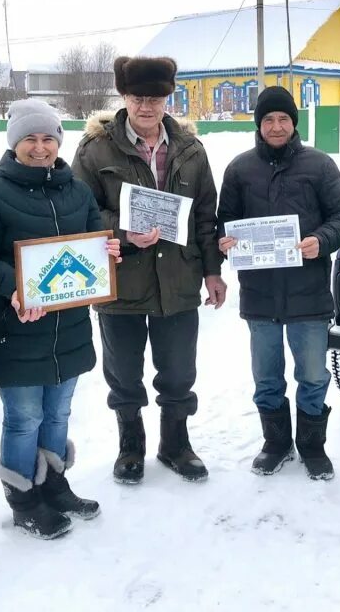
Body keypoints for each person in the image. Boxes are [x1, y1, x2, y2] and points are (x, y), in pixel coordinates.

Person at [0, 99, 121, 538]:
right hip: (18, 328)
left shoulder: (77, 190)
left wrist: (107, 252)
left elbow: (94, 241)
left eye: (48, 137)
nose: (40, 147)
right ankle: (23, 498)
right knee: (24, 418)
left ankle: (53, 485)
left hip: (67, 327)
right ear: (14, 143)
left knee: (58, 414)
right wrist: (16, 287)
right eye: (29, 138)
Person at [72, 56, 226, 484]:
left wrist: (212, 271)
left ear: (166, 99)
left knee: (179, 370)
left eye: (155, 98)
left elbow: (205, 217)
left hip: (178, 279)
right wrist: (122, 232)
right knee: (123, 371)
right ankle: (130, 447)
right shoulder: (95, 149)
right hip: (121, 280)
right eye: (138, 97)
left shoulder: (191, 150)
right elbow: (78, 214)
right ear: (124, 97)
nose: (146, 106)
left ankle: (175, 444)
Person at [217, 87, 340, 479]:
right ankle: (276, 443)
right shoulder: (240, 169)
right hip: (260, 296)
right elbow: (224, 220)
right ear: (258, 125)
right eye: (268, 120)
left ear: (294, 123)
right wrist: (224, 241)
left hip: (308, 294)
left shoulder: (319, 165)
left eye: (283, 119)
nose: (276, 126)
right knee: (266, 376)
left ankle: (312, 446)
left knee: (312, 374)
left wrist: (322, 241)